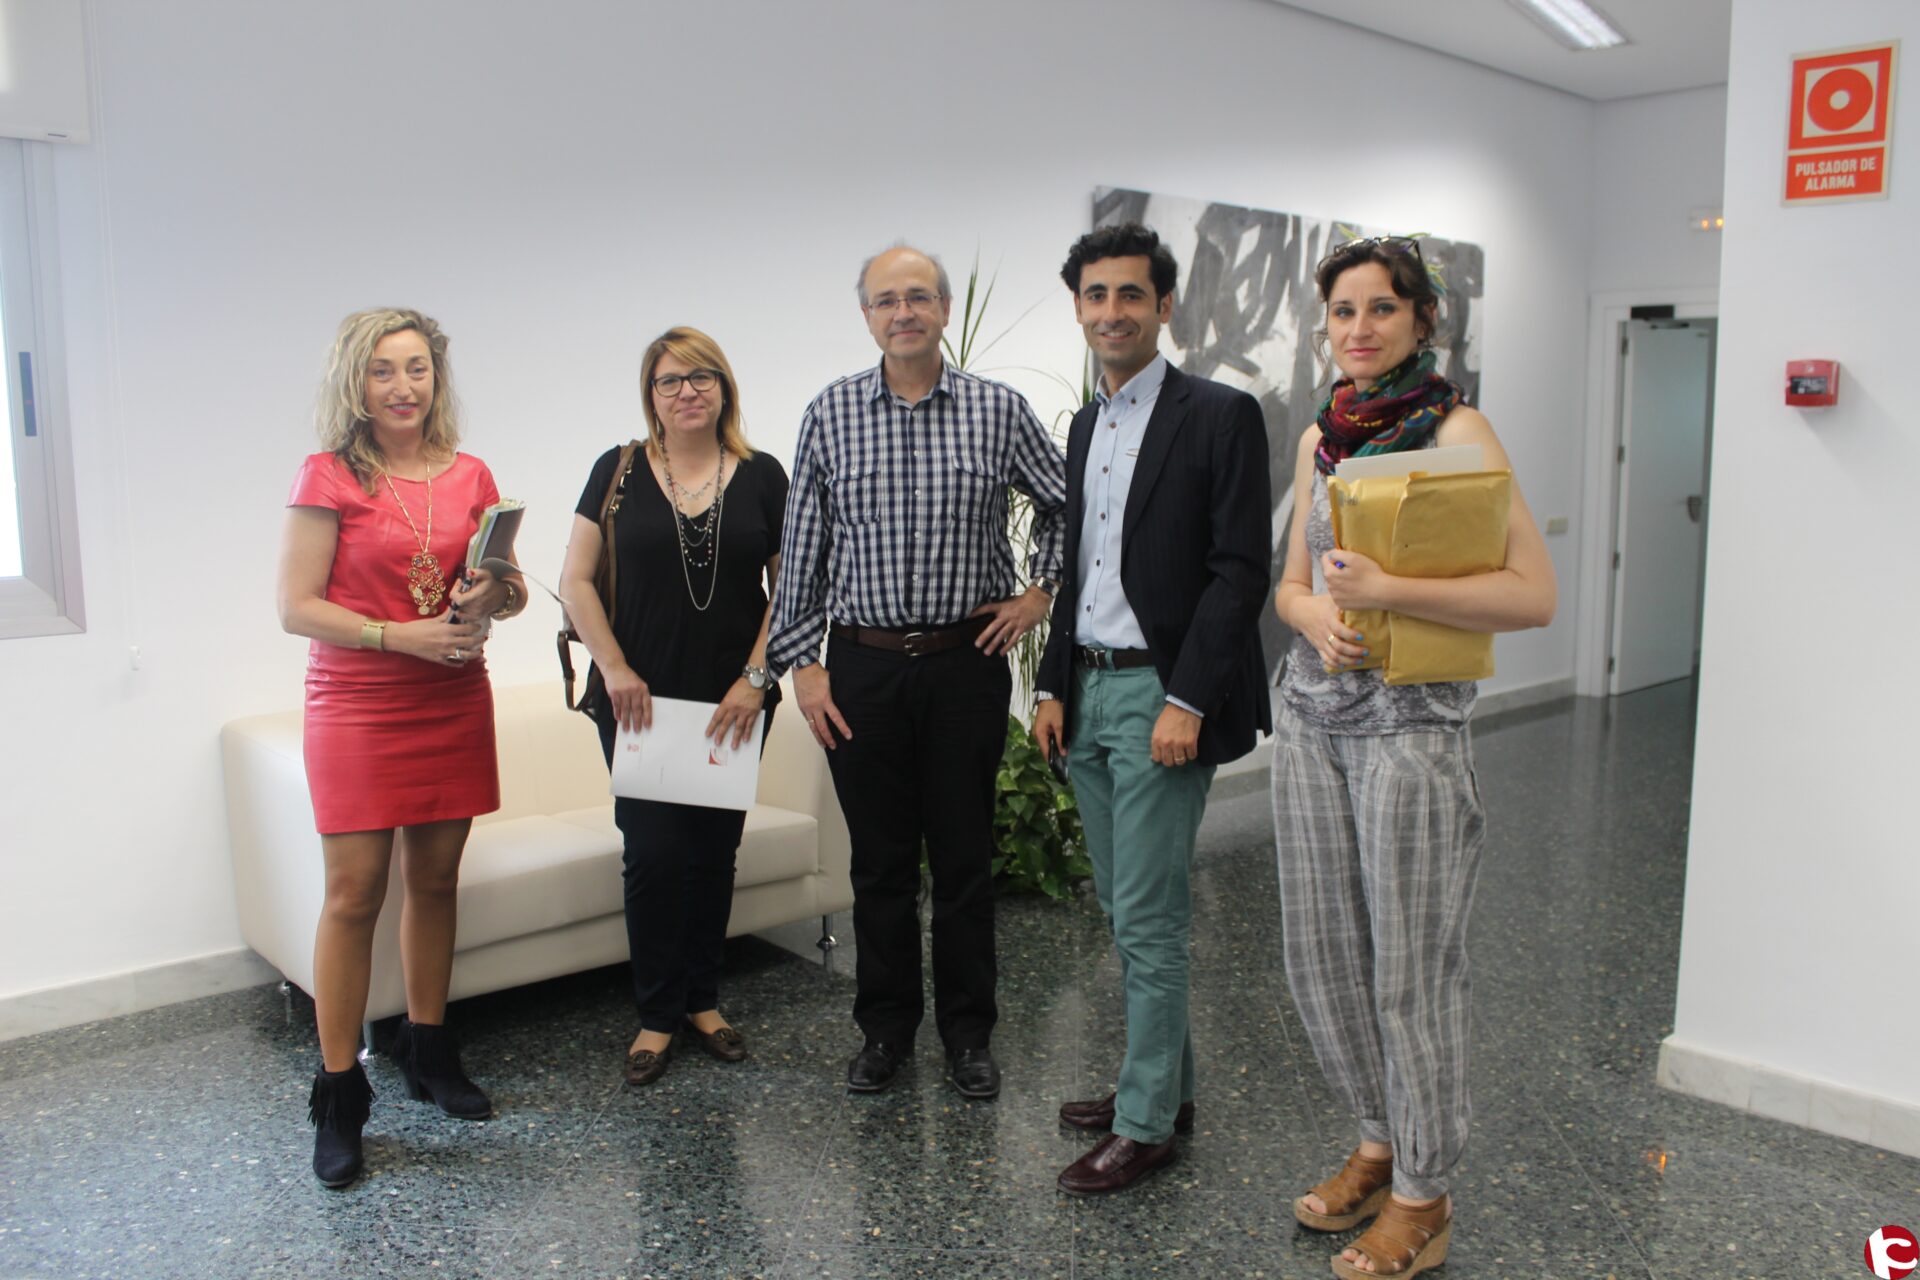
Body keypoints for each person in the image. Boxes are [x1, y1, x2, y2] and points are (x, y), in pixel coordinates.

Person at [1271, 236, 1556, 1278]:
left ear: (1421, 319)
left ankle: (1425, 1194)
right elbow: (1291, 585)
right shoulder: (1323, 436)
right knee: (1322, 957)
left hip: (1411, 728)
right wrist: (1312, 615)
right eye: (1343, 311)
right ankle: (1378, 1139)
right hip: (1312, 721)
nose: (1359, 328)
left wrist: (1389, 592)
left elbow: (1532, 594)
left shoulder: (1456, 429)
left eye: (1381, 308)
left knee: (1410, 971)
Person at [766, 244, 1068, 1100]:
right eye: (886, 300)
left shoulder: (997, 410)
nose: (904, 312)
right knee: (880, 866)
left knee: (966, 862)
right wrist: (803, 666)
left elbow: (1065, 504)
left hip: (964, 664)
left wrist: (1038, 593)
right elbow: (803, 550)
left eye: (919, 297)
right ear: (866, 316)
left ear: (942, 309)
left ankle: (969, 1037)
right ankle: (885, 1032)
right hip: (861, 671)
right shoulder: (831, 414)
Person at [1031, 224, 1272, 1195]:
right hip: (1087, 690)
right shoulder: (1084, 427)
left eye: (1130, 294)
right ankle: (1167, 1087)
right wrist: (1052, 684)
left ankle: (1145, 1126)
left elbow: (1239, 572)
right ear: (1079, 307)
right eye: (1095, 295)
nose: (1112, 312)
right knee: (1126, 909)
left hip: (1160, 694)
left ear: (1164, 306)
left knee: (1149, 916)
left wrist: (1187, 698)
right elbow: (1079, 567)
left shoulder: (1219, 414)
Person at [277, 307, 526, 1188]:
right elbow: (296, 607)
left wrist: (489, 595)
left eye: (417, 368)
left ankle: (429, 1049)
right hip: (358, 704)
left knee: (435, 881)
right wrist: (398, 637)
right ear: (356, 382)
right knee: (354, 895)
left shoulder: (470, 474)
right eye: (383, 370)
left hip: (451, 696)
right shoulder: (327, 475)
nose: (403, 386)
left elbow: (510, 590)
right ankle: (340, 1094)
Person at [557, 326, 786, 1088]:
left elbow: (790, 585)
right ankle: (657, 1013)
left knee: (713, 853)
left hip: (732, 702)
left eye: (701, 377)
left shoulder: (763, 475)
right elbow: (576, 580)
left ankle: (703, 1002)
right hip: (638, 702)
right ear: (650, 396)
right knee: (653, 855)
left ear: (724, 387)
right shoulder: (616, 471)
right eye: (669, 381)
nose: (687, 391)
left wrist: (756, 678)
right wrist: (613, 667)